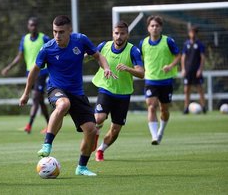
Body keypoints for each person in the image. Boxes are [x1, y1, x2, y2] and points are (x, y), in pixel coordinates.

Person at [19, 15, 116, 176]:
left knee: (91, 130)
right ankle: (47, 144)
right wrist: (26, 93)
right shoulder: (47, 48)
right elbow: (34, 72)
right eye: (55, 32)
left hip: (77, 93)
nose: (57, 36)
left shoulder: (81, 40)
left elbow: (98, 55)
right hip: (56, 89)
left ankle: (82, 167)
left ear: (70, 31)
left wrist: (106, 67)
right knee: (63, 104)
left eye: (61, 32)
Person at [93, 21, 144, 161]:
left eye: (122, 33)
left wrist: (128, 69)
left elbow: (141, 73)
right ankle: (95, 133)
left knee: (115, 130)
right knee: (99, 118)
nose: (119, 36)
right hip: (106, 88)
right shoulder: (104, 46)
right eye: (116, 33)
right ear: (112, 34)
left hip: (123, 94)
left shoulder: (133, 51)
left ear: (127, 35)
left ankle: (101, 149)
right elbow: (91, 56)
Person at [2, 17, 50, 134]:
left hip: (42, 72)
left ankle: (29, 125)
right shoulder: (25, 39)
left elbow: (53, 51)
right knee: (40, 100)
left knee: (35, 98)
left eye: (35, 25)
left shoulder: (44, 38)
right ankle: (50, 124)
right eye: (31, 25)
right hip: (30, 73)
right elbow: (20, 56)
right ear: (28, 27)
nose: (33, 27)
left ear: (37, 26)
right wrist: (9, 67)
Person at [139, 15, 181, 145]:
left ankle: (161, 131)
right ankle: (154, 136)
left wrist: (170, 66)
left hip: (166, 81)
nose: (154, 28)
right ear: (148, 28)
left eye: (157, 26)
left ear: (161, 28)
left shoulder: (168, 41)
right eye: (152, 26)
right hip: (150, 81)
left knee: (164, 110)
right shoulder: (143, 43)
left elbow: (178, 55)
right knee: (151, 107)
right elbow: (138, 58)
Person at [181, 26, 206, 114]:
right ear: (189, 33)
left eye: (193, 32)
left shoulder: (200, 44)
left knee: (200, 89)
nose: (192, 34)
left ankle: (203, 107)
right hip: (188, 71)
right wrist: (183, 69)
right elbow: (183, 57)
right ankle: (186, 108)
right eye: (190, 32)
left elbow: (202, 58)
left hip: (196, 71)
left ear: (196, 33)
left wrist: (200, 69)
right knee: (186, 90)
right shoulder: (186, 44)